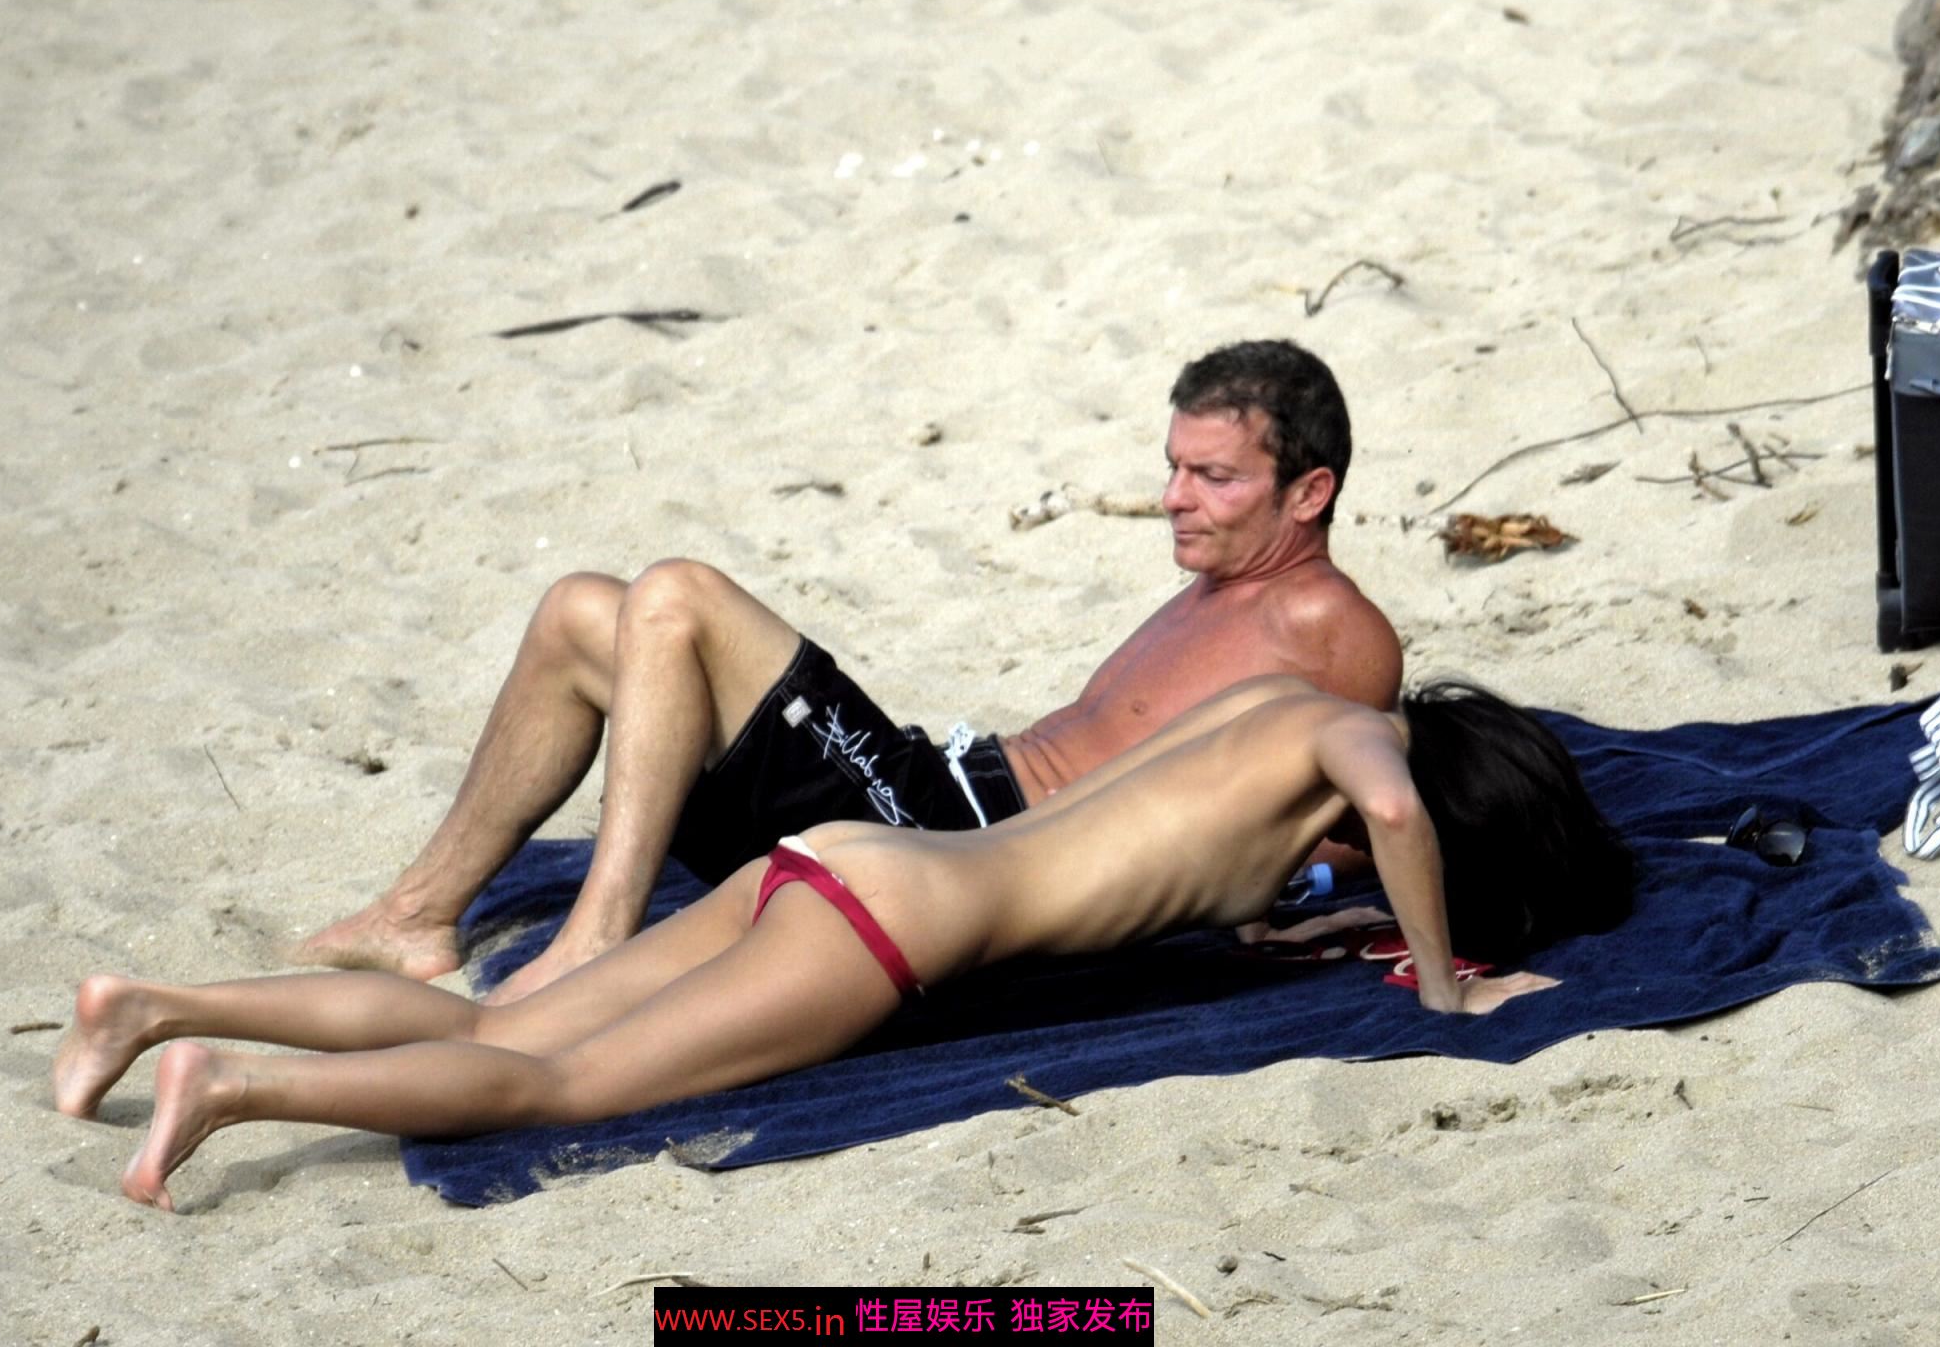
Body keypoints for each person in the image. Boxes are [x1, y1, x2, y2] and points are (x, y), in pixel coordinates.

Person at [57, 676, 1633, 1211]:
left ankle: (149, 1006)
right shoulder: (1363, 746)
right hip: (886, 925)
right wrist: (1446, 987)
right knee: (553, 1089)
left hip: (842, 862)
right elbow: (1395, 811)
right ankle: (233, 1087)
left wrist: (1318, 909)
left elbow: (1197, 848)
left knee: (496, 1030)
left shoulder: (1274, 715)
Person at [298, 339, 1403, 1003]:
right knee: (580, 611)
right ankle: (417, 913)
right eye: (1173, 469)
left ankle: (597, 937)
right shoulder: (1229, 584)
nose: (1172, 499)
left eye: (1213, 478)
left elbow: (1350, 801)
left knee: (675, 595)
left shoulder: (1328, 622)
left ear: (1308, 493)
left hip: (961, 842)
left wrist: (1290, 892)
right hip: (937, 786)